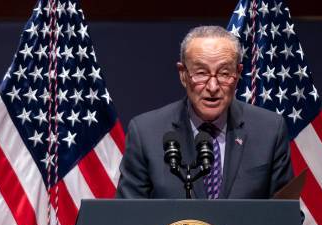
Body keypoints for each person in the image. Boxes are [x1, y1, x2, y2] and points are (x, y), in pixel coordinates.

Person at [116, 25, 293, 199]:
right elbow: (128, 217)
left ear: (238, 73)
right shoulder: (146, 133)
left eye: (224, 73)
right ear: (183, 74)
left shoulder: (269, 131)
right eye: (201, 73)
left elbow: (285, 218)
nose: (213, 87)